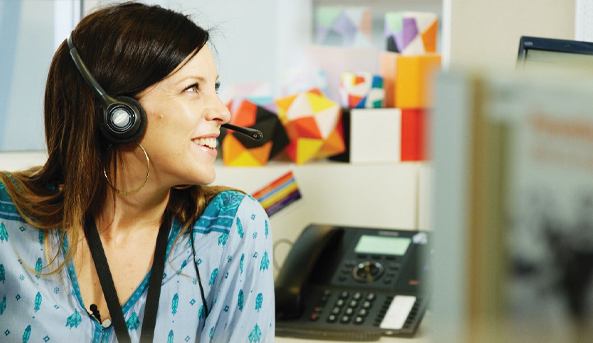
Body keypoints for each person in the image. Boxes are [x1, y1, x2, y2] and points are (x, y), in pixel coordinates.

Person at [0, 2, 274, 342]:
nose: (221, 111)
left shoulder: (229, 228)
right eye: (193, 89)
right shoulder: (7, 219)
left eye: (214, 88)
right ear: (119, 113)